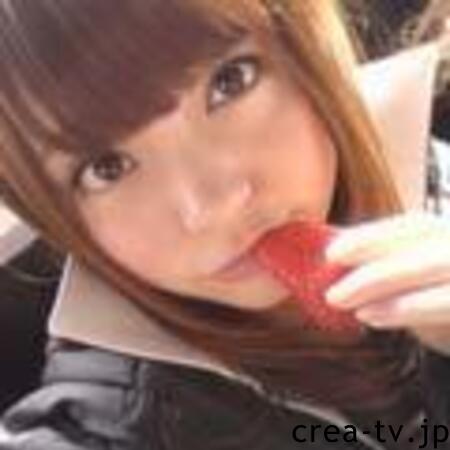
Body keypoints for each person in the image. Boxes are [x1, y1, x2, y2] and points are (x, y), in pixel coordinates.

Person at [0, 1, 449, 449]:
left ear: (305, 37)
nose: (209, 207)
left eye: (230, 81)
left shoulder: (427, 153)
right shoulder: (103, 427)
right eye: (107, 168)